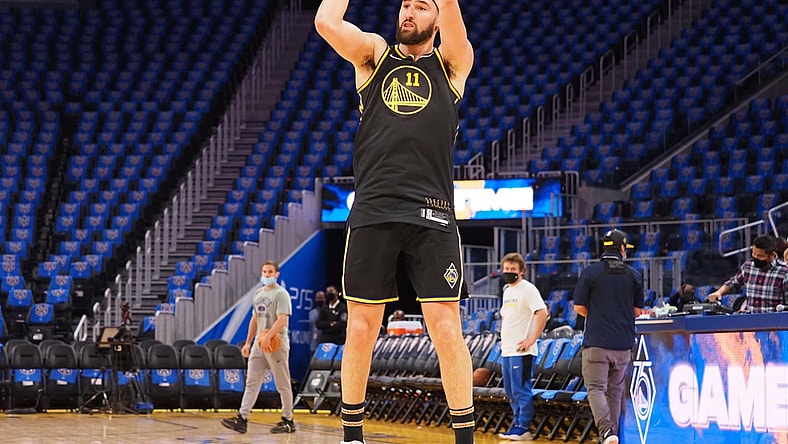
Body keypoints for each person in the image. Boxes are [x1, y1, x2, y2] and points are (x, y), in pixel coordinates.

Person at [314, 1, 476, 443]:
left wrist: (443, 4)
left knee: (445, 325)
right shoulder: (373, 55)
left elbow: (456, 26)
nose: (408, 11)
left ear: (436, 18)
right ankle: (352, 436)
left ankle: (464, 438)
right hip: (374, 209)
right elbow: (326, 22)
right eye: (405, 4)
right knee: (361, 326)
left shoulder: (452, 65)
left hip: (434, 213)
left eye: (420, 6)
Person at [573, 229, 644, 444]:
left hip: (596, 342)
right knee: (614, 392)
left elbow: (578, 306)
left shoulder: (591, 272)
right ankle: (613, 437)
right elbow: (638, 311)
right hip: (623, 344)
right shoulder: (633, 274)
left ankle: (606, 432)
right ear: (622, 249)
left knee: (596, 388)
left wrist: (597, 315)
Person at [221, 260, 295, 435]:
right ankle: (242, 418)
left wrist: (269, 337)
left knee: (282, 384)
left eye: (270, 272)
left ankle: (288, 420)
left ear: (276, 274)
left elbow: (282, 320)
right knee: (251, 382)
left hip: (277, 343)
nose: (267, 275)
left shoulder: (281, 294)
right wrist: (248, 342)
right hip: (259, 344)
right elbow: (254, 319)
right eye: (264, 272)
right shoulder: (258, 293)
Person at [497, 253, 548, 441]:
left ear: (522, 271)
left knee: (521, 389)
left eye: (513, 270)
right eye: (506, 269)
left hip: (523, 351)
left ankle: (523, 427)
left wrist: (531, 339)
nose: (509, 272)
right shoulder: (507, 290)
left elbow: (542, 312)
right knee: (510, 391)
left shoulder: (528, 289)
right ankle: (516, 424)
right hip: (508, 350)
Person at [707, 234, 788, 313]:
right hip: (749, 321)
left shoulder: (784, 273)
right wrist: (718, 292)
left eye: (760, 256)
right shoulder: (747, 267)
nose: (755, 257)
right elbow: (733, 284)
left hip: (773, 322)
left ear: (772, 255)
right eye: (754, 254)